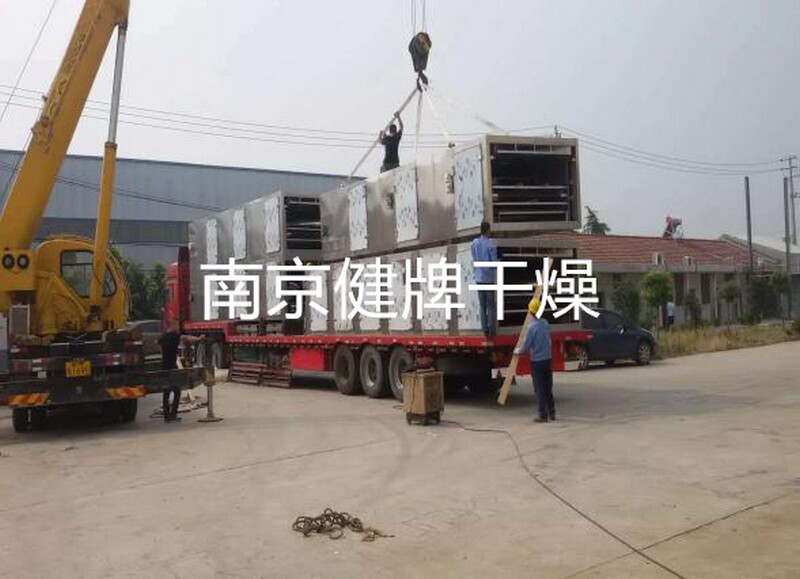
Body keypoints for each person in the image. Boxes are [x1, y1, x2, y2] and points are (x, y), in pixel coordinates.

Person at [515, 298, 555, 423]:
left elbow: (526, 345)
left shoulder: (531, 328)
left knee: (539, 389)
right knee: (548, 388)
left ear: (531, 312)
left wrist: (518, 351)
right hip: (547, 360)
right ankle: (552, 412)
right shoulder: (546, 323)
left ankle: (542, 415)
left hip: (537, 362)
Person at [159, 320, 204, 423]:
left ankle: (167, 416)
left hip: (164, 367)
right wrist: (199, 338)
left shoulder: (162, 337)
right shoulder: (175, 336)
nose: (178, 328)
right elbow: (187, 338)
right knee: (177, 391)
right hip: (172, 368)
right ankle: (173, 414)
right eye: (176, 325)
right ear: (172, 326)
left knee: (166, 393)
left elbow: (156, 343)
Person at [470, 221, 498, 337]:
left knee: (482, 305)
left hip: (478, 278)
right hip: (488, 278)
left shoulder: (474, 243)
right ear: (488, 230)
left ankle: (484, 330)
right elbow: (494, 264)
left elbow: (473, 257)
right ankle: (491, 329)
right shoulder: (491, 245)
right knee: (490, 305)